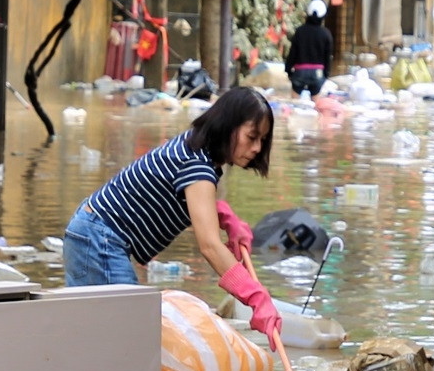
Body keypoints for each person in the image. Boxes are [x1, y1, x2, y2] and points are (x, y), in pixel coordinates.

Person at [62, 87, 282, 348]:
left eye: (262, 140)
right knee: (129, 343)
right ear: (227, 126)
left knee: (100, 339)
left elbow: (178, 193)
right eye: (251, 137)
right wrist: (256, 297)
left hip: (92, 233)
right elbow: (210, 246)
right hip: (99, 239)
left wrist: (225, 216)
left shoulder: (196, 148)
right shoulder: (198, 165)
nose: (257, 148)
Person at [285, 0, 334, 96]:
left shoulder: (300, 31)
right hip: (318, 73)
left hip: (299, 72)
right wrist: (326, 74)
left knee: (295, 103)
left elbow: (293, 52)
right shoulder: (326, 34)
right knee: (316, 106)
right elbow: (327, 57)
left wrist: (288, 70)